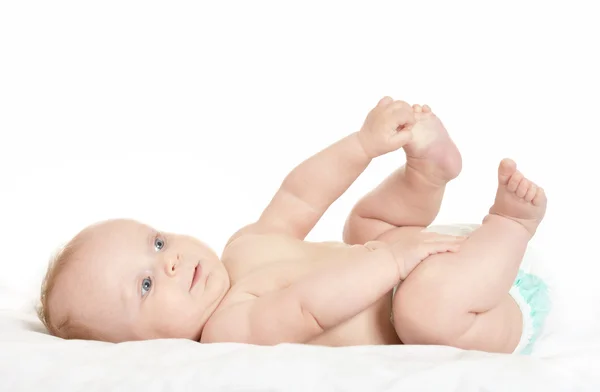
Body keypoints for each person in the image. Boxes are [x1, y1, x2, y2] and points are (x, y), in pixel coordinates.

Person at [37, 97, 550, 354]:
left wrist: (363, 145)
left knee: (363, 225)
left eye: (156, 241)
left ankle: (425, 174)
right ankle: (510, 221)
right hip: (475, 304)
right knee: (420, 309)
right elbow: (305, 308)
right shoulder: (226, 330)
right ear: (142, 348)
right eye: (146, 285)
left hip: (433, 257)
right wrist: (391, 261)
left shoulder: (243, 246)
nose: (169, 260)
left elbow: (300, 196)